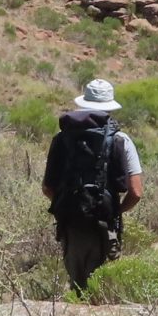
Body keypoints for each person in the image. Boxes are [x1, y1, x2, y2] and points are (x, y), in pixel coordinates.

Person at [43, 78, 144, 293]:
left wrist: (69, 204)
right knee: (103, 288)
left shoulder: (61, 138)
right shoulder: (121, 140)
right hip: (105, 224)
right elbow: (136, 192)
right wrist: (115, 211)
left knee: (77, 287)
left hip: (71, 224)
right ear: (109, 107)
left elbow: (47, 187)